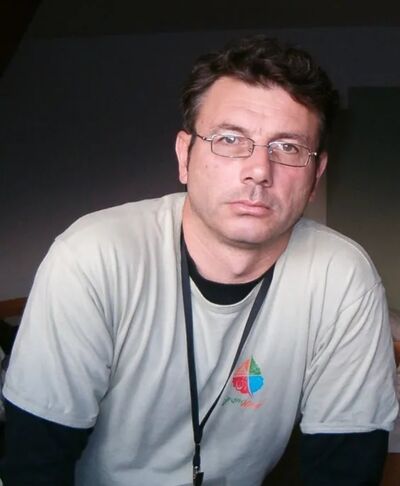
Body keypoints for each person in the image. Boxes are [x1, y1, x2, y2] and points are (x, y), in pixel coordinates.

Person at [1, 34, 398, 486]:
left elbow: (346, 472)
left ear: (316, 175)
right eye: (230, 139)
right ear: (184, 157)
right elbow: (34, 468)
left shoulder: (343, 277)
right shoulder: (93, 256)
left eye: (288, 147)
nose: (259, 170)